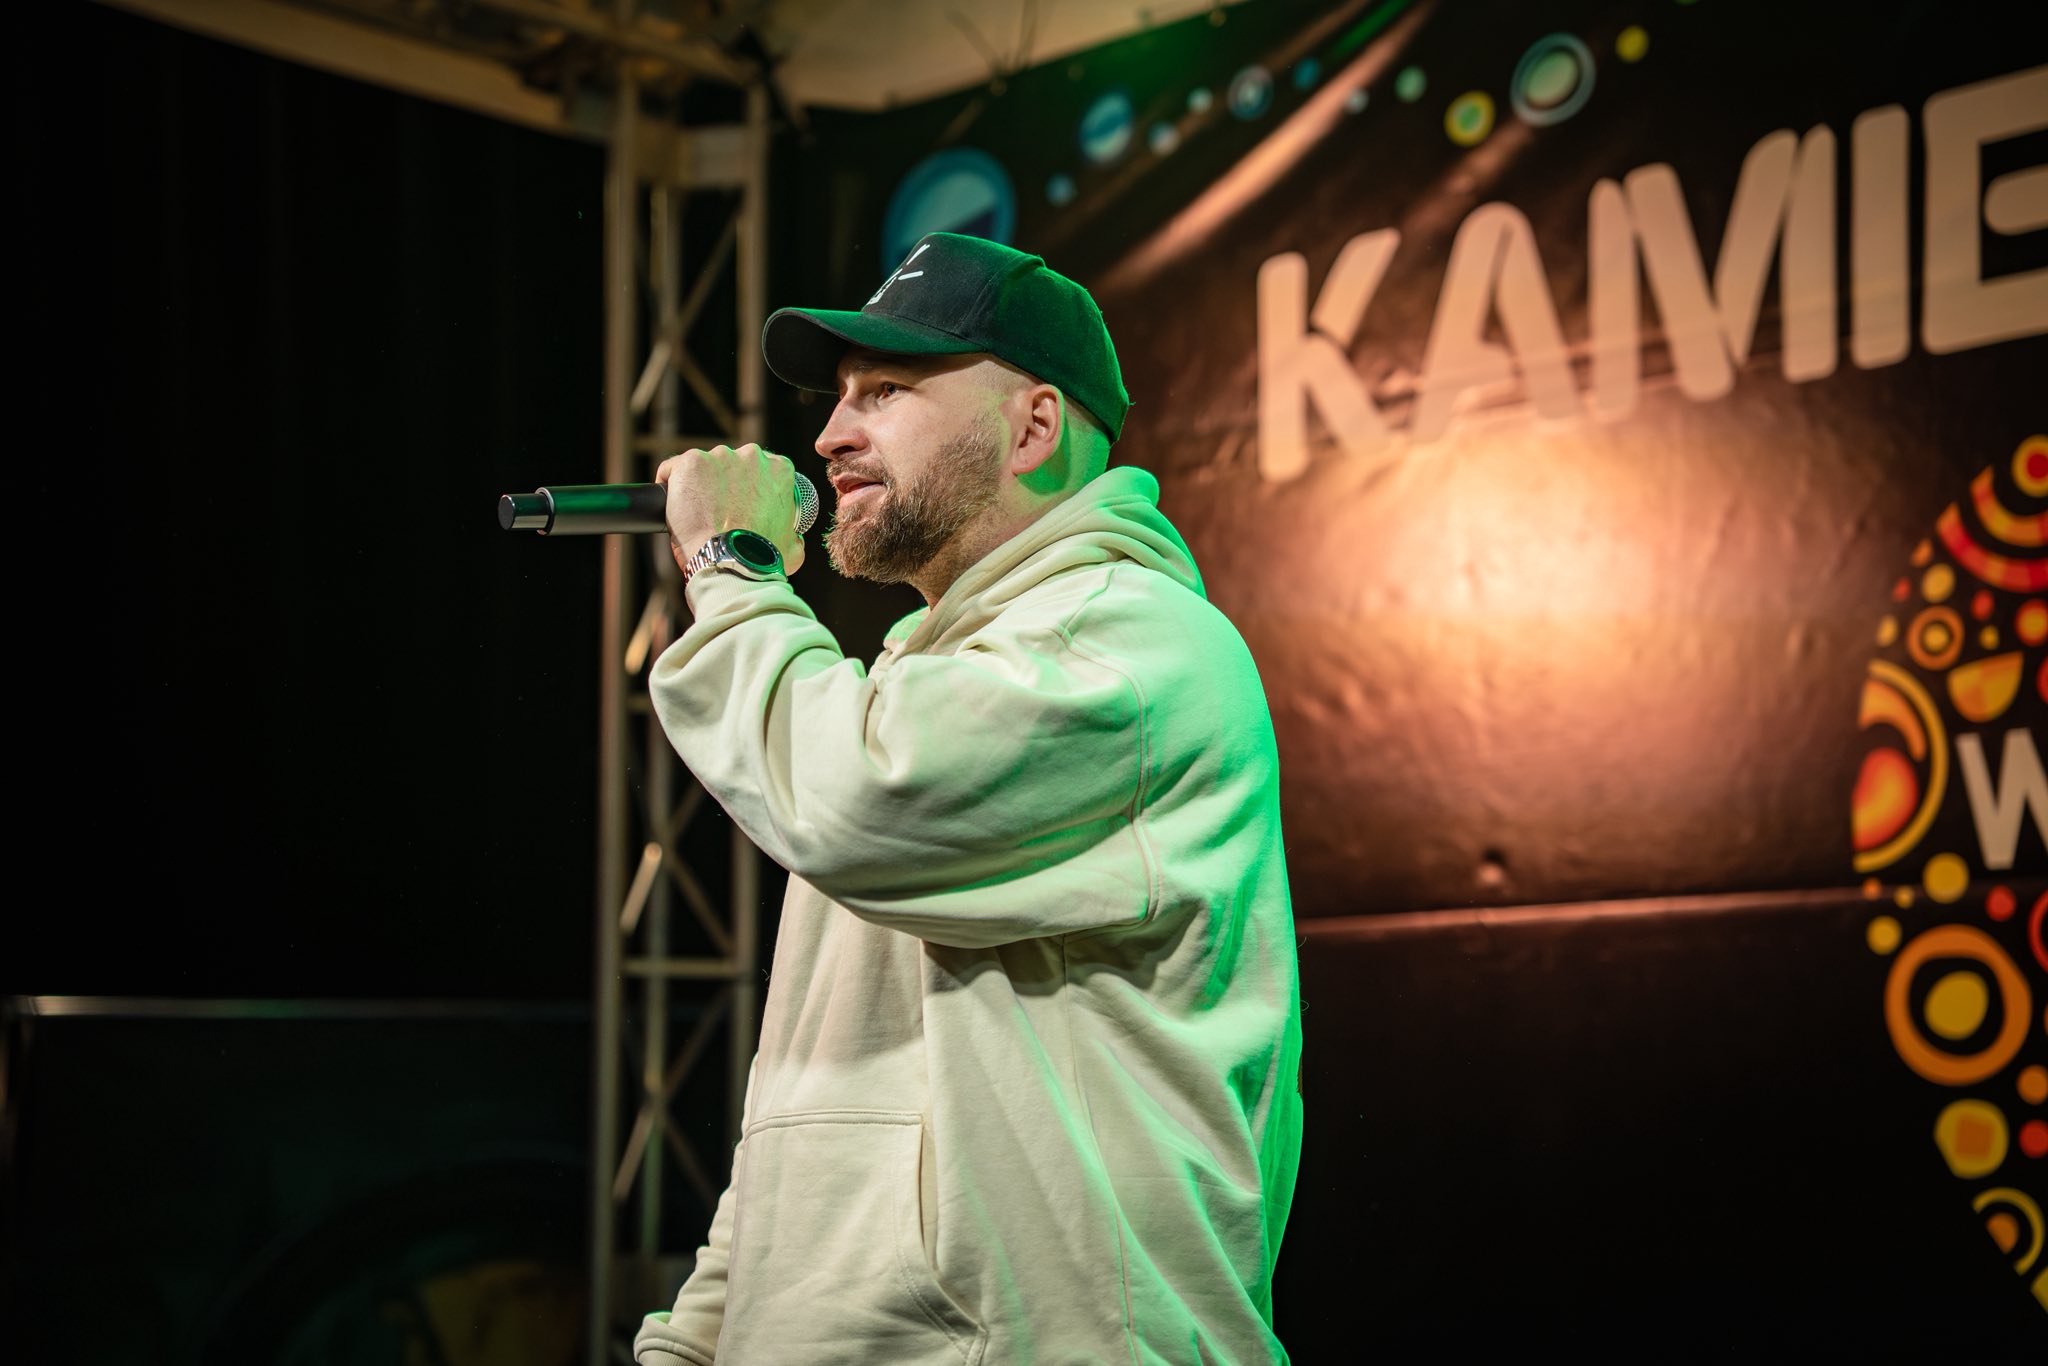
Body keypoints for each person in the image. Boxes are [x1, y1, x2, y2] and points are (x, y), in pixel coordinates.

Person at [633, 232, 1303, 1365]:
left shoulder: (1134, 645)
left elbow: (848, 801)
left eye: (886, 391)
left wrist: (734, 564)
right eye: (840, 396)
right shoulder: (914, 685)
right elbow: (819, 1075)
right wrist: (701, 1339)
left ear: (1032, 428)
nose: (828, 435)